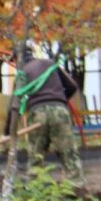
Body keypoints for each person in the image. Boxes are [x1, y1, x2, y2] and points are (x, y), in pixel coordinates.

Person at [14, 46, 83, 183]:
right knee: (68, 153)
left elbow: (14, 103)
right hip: (60, 111)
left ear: (18, 59)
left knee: (36, 155)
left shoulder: (23, 73)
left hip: (38, 113)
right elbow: (72, 86)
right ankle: (76, 189)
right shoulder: (50, 64)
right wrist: (59, 99)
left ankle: (34, 190)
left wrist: (7, 132)